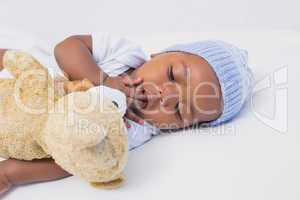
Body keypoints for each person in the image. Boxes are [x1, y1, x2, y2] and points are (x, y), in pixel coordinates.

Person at [0, 33, 253, 194]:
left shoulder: (135, 130)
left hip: (20, 131)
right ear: (158, 55)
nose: (167, 95)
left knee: (75, 157)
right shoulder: (125, 54)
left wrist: (11, 174)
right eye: (172, 75)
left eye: (179, 110)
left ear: (178, 128)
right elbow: (66, 48)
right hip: (18, 75)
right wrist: (103, 81)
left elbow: (70, 163)